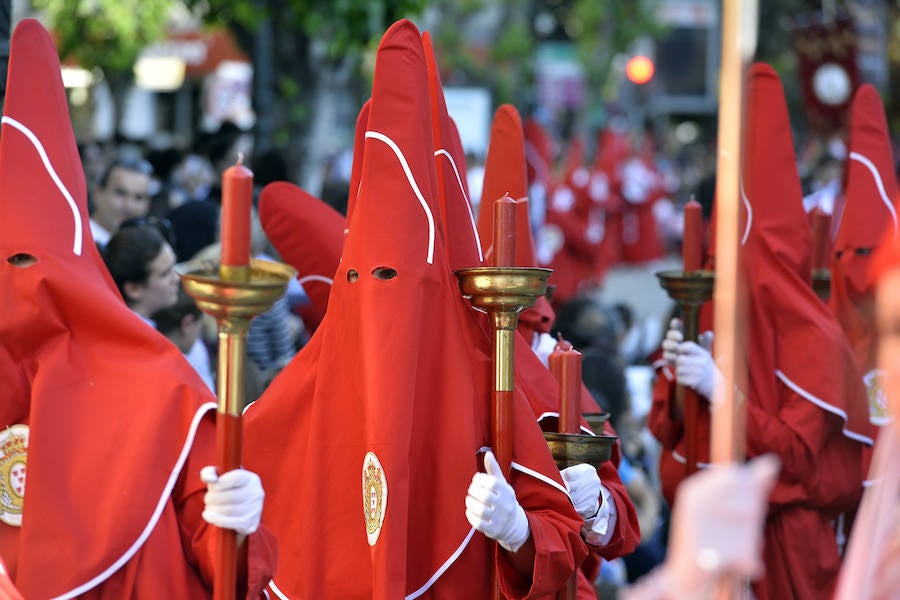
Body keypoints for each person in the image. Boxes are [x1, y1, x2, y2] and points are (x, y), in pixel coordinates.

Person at [243, 21, 587, 598]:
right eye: (359, 278)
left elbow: (568, 547)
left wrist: (520, 532)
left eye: (394, 278)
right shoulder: (299, 387)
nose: (380, 296)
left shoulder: (488, 378)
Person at [0, 19, 276, 596]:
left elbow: (222, 555)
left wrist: (238, 522)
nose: (19, 287)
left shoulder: (160, 387)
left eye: (29, 262)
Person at [651, 63, 875, 599]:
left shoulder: (815, 337)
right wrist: (682, 376)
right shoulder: (704, 304)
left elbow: (796, 457)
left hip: (786, 552)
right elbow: (666, 428)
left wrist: (722, 392)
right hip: (705, 541)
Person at [102, 224, 181, 326]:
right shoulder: (133, 338)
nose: (177, 278)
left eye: (173, 266)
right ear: (134, 289)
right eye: (165, 274)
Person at [89, 155, 155, 249]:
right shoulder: (74, 240)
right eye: (120, 193)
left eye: (139, 197)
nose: (129, 206)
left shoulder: (147, 250)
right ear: (98, 193)